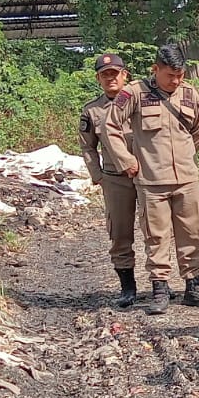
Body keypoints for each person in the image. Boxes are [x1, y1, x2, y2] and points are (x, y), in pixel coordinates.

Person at [103, 43, 199, 315]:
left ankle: (193, 288)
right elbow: (110, 126)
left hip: (186, 179)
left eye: (180, 75)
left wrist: (185, 157)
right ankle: (160, 289)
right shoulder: (134, 93)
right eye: (170, 75)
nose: (176, 81)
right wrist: (126, 160)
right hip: (151, 182)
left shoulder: (190, 94)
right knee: (156, 236)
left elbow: (198, 131)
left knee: (192, 233)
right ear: (155, 69)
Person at [77, 52, 142, 309]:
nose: (111, 79)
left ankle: (160, 285)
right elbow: (87, 147)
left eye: (115, 74)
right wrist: (98, 176)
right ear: (98, 79)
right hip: (115, 179)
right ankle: (128, 287)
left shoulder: (141, 102)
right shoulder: (92, 111)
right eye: (105, 75)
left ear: (125, 75)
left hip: (146, 175)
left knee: (155, 230)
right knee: (120, 232)